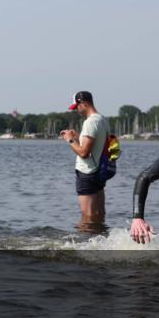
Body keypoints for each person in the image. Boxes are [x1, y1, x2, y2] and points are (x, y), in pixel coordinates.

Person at [59, 91, 109, 231]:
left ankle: (86, 247)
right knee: (99, 214)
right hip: (99, 171)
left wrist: (69, 139)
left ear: (84, 103)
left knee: (88, 216)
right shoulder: (102, 120)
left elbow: (84, 153)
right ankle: (101, 241)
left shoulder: (90, 122)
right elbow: (97, 146)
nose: (76, 110)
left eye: (77, 107)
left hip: (87, 173)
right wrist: (78, 137)